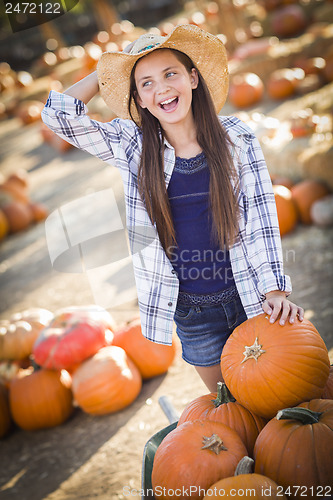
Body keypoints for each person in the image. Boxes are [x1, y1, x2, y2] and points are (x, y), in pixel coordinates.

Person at [42, 24, 304, 392]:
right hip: (194, 314)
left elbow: (262, 218)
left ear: (193, 78)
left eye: (170, 74)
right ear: (140, 99)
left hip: (249, 295)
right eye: (146, 83)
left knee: (277, 395)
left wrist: (275, 290)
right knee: (229, 410)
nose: (161, 88)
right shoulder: (131, 145)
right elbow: (57, 116)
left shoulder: (236, 138)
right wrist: (105, 75)